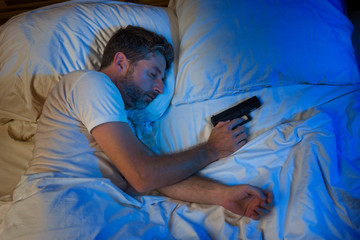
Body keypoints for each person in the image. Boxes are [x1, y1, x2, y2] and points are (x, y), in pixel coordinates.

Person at [3, 25, 272, 239]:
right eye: (153, 74)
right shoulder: (90, 82)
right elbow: (143, 176)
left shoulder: (122, 124)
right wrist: (212, 149)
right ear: (121, 62)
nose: (159, 88)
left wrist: (223, 195)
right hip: (61, 206)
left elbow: (155, 174)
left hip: (101, 211)